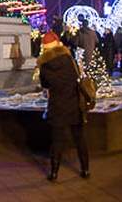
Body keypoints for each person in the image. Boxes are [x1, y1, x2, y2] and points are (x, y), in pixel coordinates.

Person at [38, 30, 89, 181]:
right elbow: (77, 77)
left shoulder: (44, 66)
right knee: (80, 139)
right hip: (74, 104)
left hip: (57, 106)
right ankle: (85, 170)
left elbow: (45, 85)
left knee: (57, 141)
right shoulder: (69, 59)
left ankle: (54, 173)